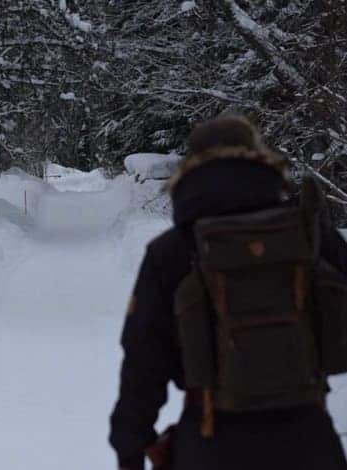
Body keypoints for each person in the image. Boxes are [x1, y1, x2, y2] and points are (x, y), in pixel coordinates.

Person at [109, 115, 347, 470]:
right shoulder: (310, 236)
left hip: (210, 441)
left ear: (192, 167)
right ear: (259, 158)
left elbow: (144, 360)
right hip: (309, 440)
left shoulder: (173, 251)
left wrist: (131, 446)